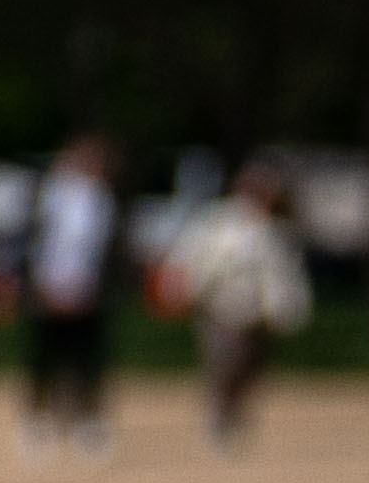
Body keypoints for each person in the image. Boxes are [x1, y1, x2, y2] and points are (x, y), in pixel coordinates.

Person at [157, 156, 312, 447]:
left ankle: (234, 411)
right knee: (225, 365)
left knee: (253, 369)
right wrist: (179, 289)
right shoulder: (216, 221)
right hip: (219, 310)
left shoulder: (276, 231)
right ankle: (220, 416)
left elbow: (286, 277)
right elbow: (189, 257)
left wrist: (289, 309)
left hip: (259, 315)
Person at [23, 133, 120, 449]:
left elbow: (100, 251)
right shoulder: (50, 193)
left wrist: (90, 289)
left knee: (87, 358)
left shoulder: (102, 198)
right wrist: (43, 284)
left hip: (86, 293)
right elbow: (37, 243)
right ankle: (38, 418)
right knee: (45, 357)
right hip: (49, 289)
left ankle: (87, 418)